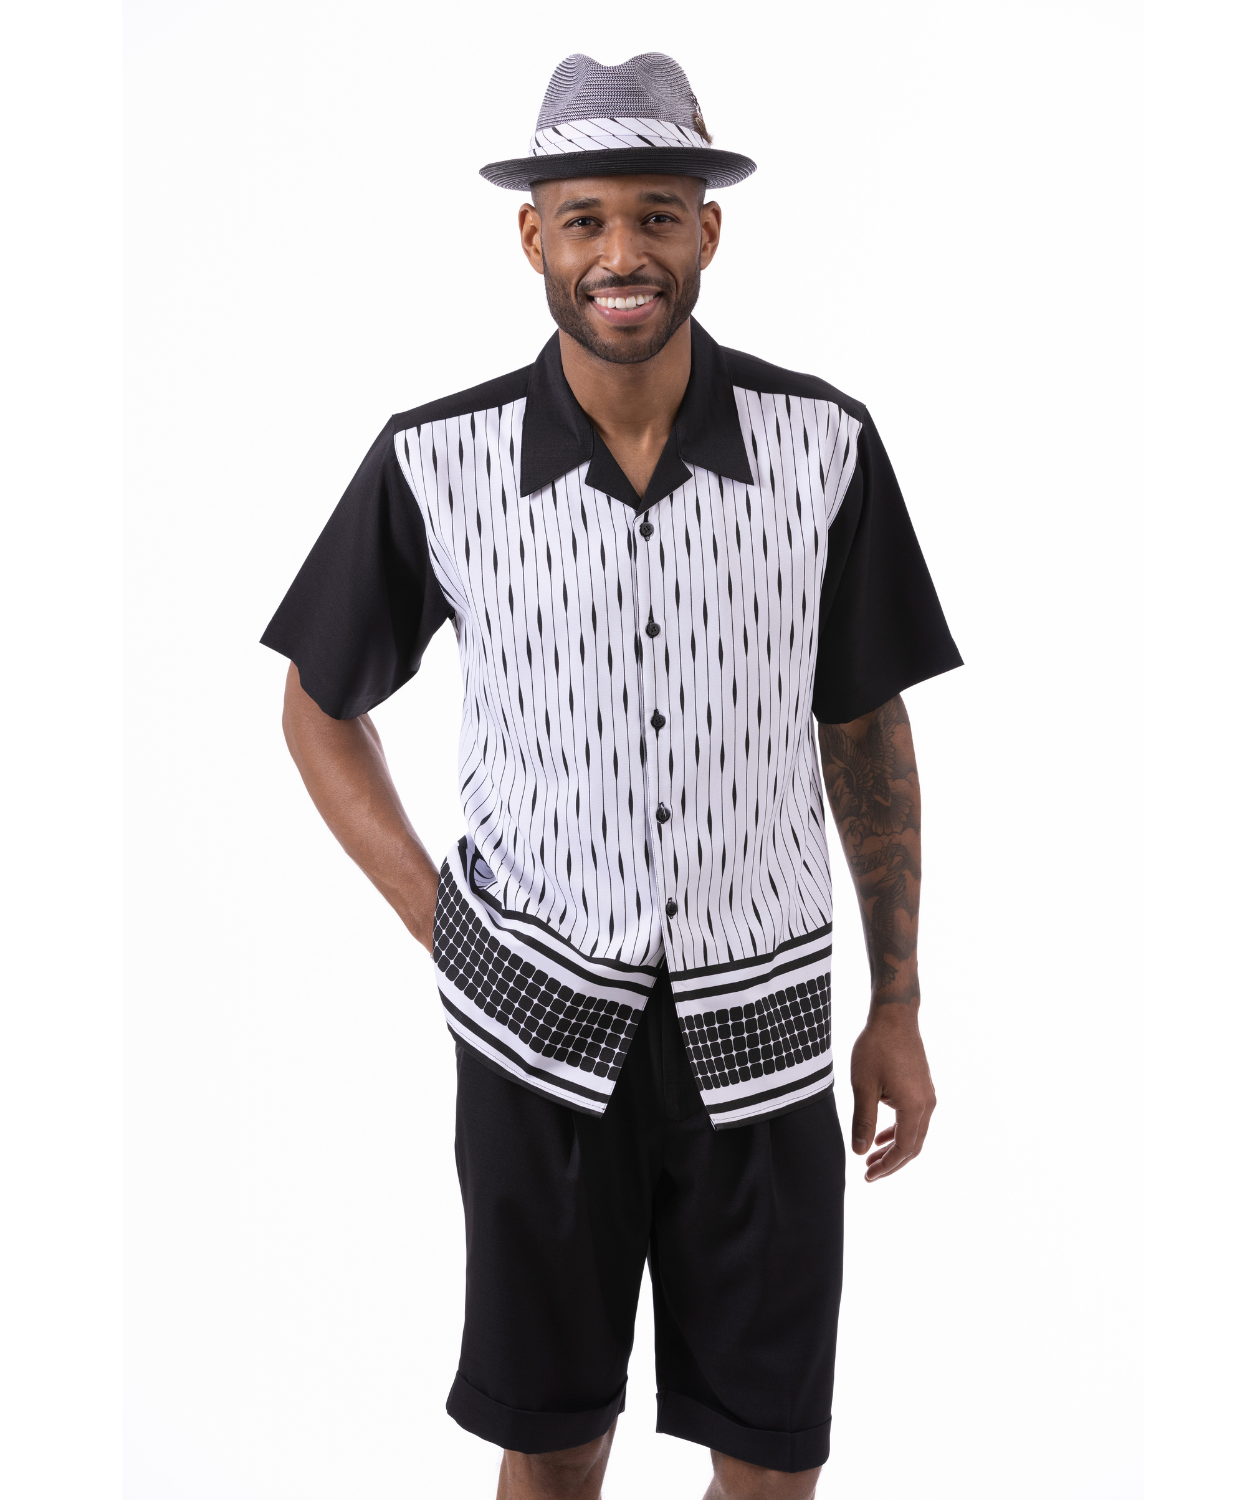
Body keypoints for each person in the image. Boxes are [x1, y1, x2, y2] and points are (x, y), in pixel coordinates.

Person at [261, 51, 962, 1500]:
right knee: (553, 1445)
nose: (621, 253)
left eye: (656, 214)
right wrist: (441, 920)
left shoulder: (825, 447)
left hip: (763, 1029)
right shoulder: (435, 461)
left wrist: (896, 1005)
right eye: (584, 218)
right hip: (534, 1039)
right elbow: (319, 710)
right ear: (535, 238)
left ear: (710, 230)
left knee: (771, 1458)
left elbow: (865, 728)